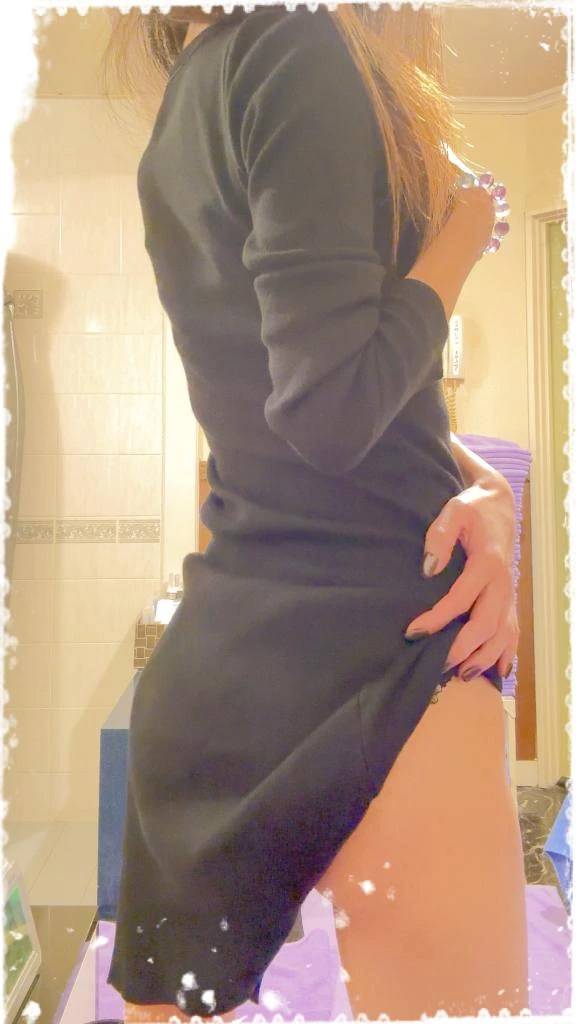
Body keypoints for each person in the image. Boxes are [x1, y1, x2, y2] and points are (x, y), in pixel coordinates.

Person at [102, 5, 529, 1021]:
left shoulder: (188, 104)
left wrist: (481, 482)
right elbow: (332, 411)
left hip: (215, 681)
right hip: (384, 655)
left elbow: (273, 417)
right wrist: (469, 227)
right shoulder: (297, 45)